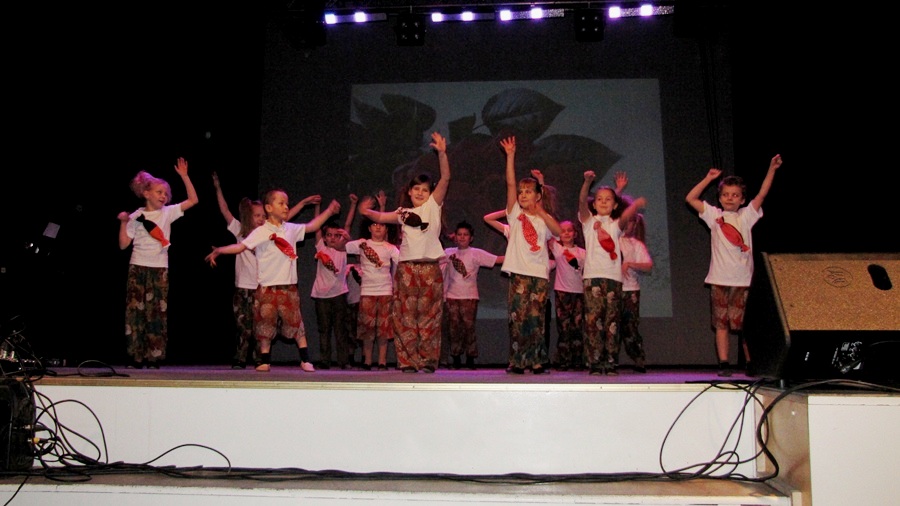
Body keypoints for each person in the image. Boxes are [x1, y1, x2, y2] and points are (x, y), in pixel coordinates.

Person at [205, 189, 340, 372]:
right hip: (267, 287)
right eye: (281, 203)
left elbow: (311, 226)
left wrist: (329, 211)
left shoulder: (290, 229)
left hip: (288, 286)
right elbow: (241, 246)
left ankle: (305, 359)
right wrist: (220, 250)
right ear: (269, 208)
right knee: (265, 324)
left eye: (287, 204)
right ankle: (264, 361)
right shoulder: (261, 232)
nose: (286, 207)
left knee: (296, 323)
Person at [357, 131, 450, 373]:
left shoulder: (433, 206)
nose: (420, 193)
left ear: (430, 193)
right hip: (407, 269)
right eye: (416, 189)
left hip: (429, 269)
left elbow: (446, 178)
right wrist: (366, 211)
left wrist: (442, 153)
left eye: (424, 190)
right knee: (405, 315)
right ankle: (408, 361)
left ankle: (427, 360)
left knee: (430, 316)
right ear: (409, 192)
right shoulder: (402, 213)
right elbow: (380, 217)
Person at [685, 154, 783, 377]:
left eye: (735, 195)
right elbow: (691, 198)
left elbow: (762, 194)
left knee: (745, 325)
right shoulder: (714, 216)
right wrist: (708, 179)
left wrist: (772, 169)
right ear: (720, 198)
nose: (730, 198)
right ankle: (724, 363)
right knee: (721, 324)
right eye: (726, 195)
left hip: (743, 281)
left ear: (742, 199)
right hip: (719, 280)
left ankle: (751, 363)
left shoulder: (746, 216)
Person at [118, 157, 199, 369]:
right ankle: (136, 356)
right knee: (136, 312)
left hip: (159, 269)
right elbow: (124, 244)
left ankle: (154, 356)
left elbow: (193, 200)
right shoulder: (137, 216)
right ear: (146, 193)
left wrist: (184, 176)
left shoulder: (167, 213)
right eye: (159, 192)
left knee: (156, 313)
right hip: (138, 267)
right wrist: (124, 223)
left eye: (165, 193)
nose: (163, 196)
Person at [498, 136, 562, 374]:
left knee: (536, 319)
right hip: (519, 273)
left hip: (539, 275)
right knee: (518, 318)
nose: (523, 195)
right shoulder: (515, 214)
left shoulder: (544, 219)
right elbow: (510, 184)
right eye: (521, 192)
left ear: (538, 196)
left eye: (528, 192)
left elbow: (558, 231)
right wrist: (510, 156)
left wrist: (541, 211)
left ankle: (536, 360)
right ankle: (517, 360)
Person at [578, 171, 646, 376]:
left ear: (615, 205)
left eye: (608, 199)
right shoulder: (588, 222)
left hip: (613, 279)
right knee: (593, 320)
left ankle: (610, 361)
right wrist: (587, 182)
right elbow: (582, 201)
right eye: (599, 199)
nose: (603, 202)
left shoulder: (615, 225)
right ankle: (595, 361)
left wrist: (634, 204)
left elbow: (624, 217)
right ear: (594, 204)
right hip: (592, 278)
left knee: (611, 322)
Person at [345, 196, 400, 371]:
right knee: (367, 329)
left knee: (383, 329)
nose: (378, 227)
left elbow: (402, 263)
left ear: (386, 229)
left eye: (381, 225)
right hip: (367, 292)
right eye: (374, 225)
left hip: (385, 292)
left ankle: (382, 361)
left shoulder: (390, 248)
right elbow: (342, 246)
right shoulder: (362, 244)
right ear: (369, 228)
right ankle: (367, 360)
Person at [440, 220, 504, 370]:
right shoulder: (448, 253)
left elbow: (497, 259)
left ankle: (470, 358)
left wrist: (519, 256)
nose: (462, 237)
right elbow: (432, 258)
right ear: (455, 237)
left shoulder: (476, 253)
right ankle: (455, 358)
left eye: (465, 235)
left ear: (471, 238)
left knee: (469, 328)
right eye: (459, 234)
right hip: (451, 297)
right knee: (453, 329)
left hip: (469, 297)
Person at [547, 220, 586, 371]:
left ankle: (578, 359)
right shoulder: (558, 249)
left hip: (579, 292)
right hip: (562, 292)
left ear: (575, 234)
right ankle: (563, 359)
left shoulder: (582, 253)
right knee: (563, 327)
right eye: (563, 231)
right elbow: (549, 236)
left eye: (570, 230)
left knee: (577, 326)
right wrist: (557, 233)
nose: (567, 233)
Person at [618, 202, 652, 373]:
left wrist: (630, 263)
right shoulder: (612, 239)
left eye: (631, 222)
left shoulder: (635, 244)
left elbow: (648, 265)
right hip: (612, 288)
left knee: (630, 326)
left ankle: (638, 358)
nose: (627, 225)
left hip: (630, 289)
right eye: (626, 221)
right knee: (611, 326)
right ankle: (608, 359)